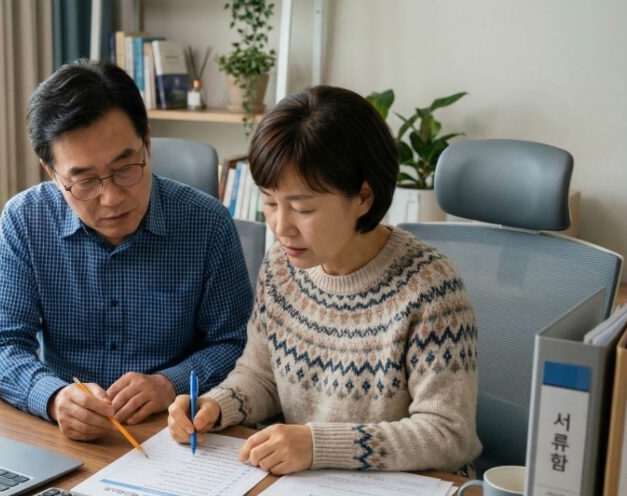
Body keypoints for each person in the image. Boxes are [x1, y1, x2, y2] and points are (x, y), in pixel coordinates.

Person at [167, 85, 482, 474]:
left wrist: (319, 446)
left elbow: (448, 434)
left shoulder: (429, 287)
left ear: (363, 198)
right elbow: (261, 375)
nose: (282, 228)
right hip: (306, 489)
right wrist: (215, 406)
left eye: (303, 208)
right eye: (269, 202)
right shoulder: (282, 269)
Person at [0, 61, 253, 441]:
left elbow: (235, 345)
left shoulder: (207, 224)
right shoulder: (25, 221)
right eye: (86, 181)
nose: (111, 198)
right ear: (51, 172)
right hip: (66, 435)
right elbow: (1, 345)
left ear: (147, 141)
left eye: (126, 168)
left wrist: (168, 384)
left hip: (174, 435)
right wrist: (55, 397)